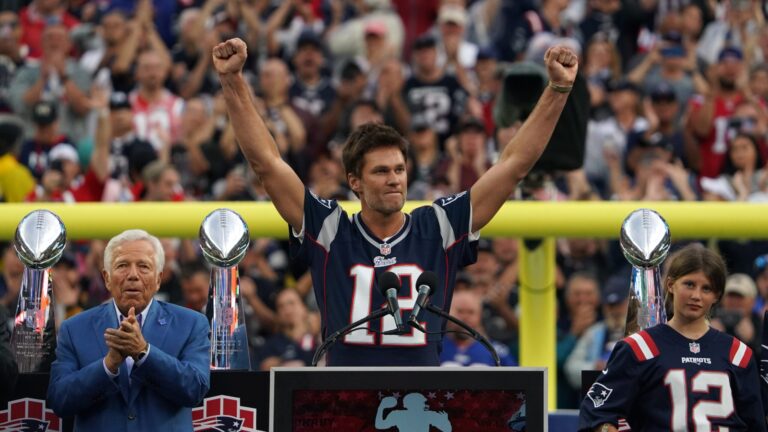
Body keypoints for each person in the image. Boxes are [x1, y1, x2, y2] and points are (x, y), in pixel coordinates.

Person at [213, 37, 577, 366]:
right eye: (381, 171)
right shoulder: (330, 228)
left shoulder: (438, 225)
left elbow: (513, 166)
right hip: (344, 403)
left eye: (400, 170)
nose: (394, 179)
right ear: (354, 181)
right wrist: (233, 81)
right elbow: (267, 164)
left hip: (422, 403)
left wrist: (558, 89)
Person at [579, 243, 767, 432]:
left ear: (717, 296)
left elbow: (755, 424)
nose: (696, 295)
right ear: (670, 284)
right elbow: (596, 411)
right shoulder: (639, 348)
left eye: (706, 288)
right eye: (689, 284)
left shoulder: (738, 354)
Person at [47, 229, 210, 431]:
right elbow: (59, 400)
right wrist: (108, 365)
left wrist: (144, 353)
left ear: (158, 279)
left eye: (143, 266)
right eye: (122, 265)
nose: (133, 275)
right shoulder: (74, 328)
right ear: (106, 278)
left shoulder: (192, 323)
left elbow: (195, 390)